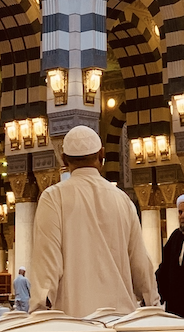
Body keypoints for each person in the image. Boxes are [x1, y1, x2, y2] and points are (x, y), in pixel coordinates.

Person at [31, 125, 158, 317]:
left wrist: (39, 312)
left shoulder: (54, 198)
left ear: (64, 160)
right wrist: (153, 306)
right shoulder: (122, 199)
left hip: (73, 324)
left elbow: (47, 263)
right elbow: (140, 266)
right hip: (120, 323)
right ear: (101, 155)